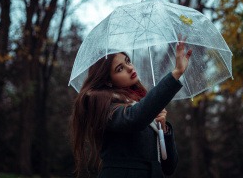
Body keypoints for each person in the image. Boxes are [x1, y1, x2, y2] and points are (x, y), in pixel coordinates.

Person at [70, 38, 192, 178]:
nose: (130, 68)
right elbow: (134, 118)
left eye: (127, 61)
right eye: (120, 68)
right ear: (108, 81)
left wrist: (163, 128)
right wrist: (176, 73)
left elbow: (169, 167)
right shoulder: (102, 104)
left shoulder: (141, 104)